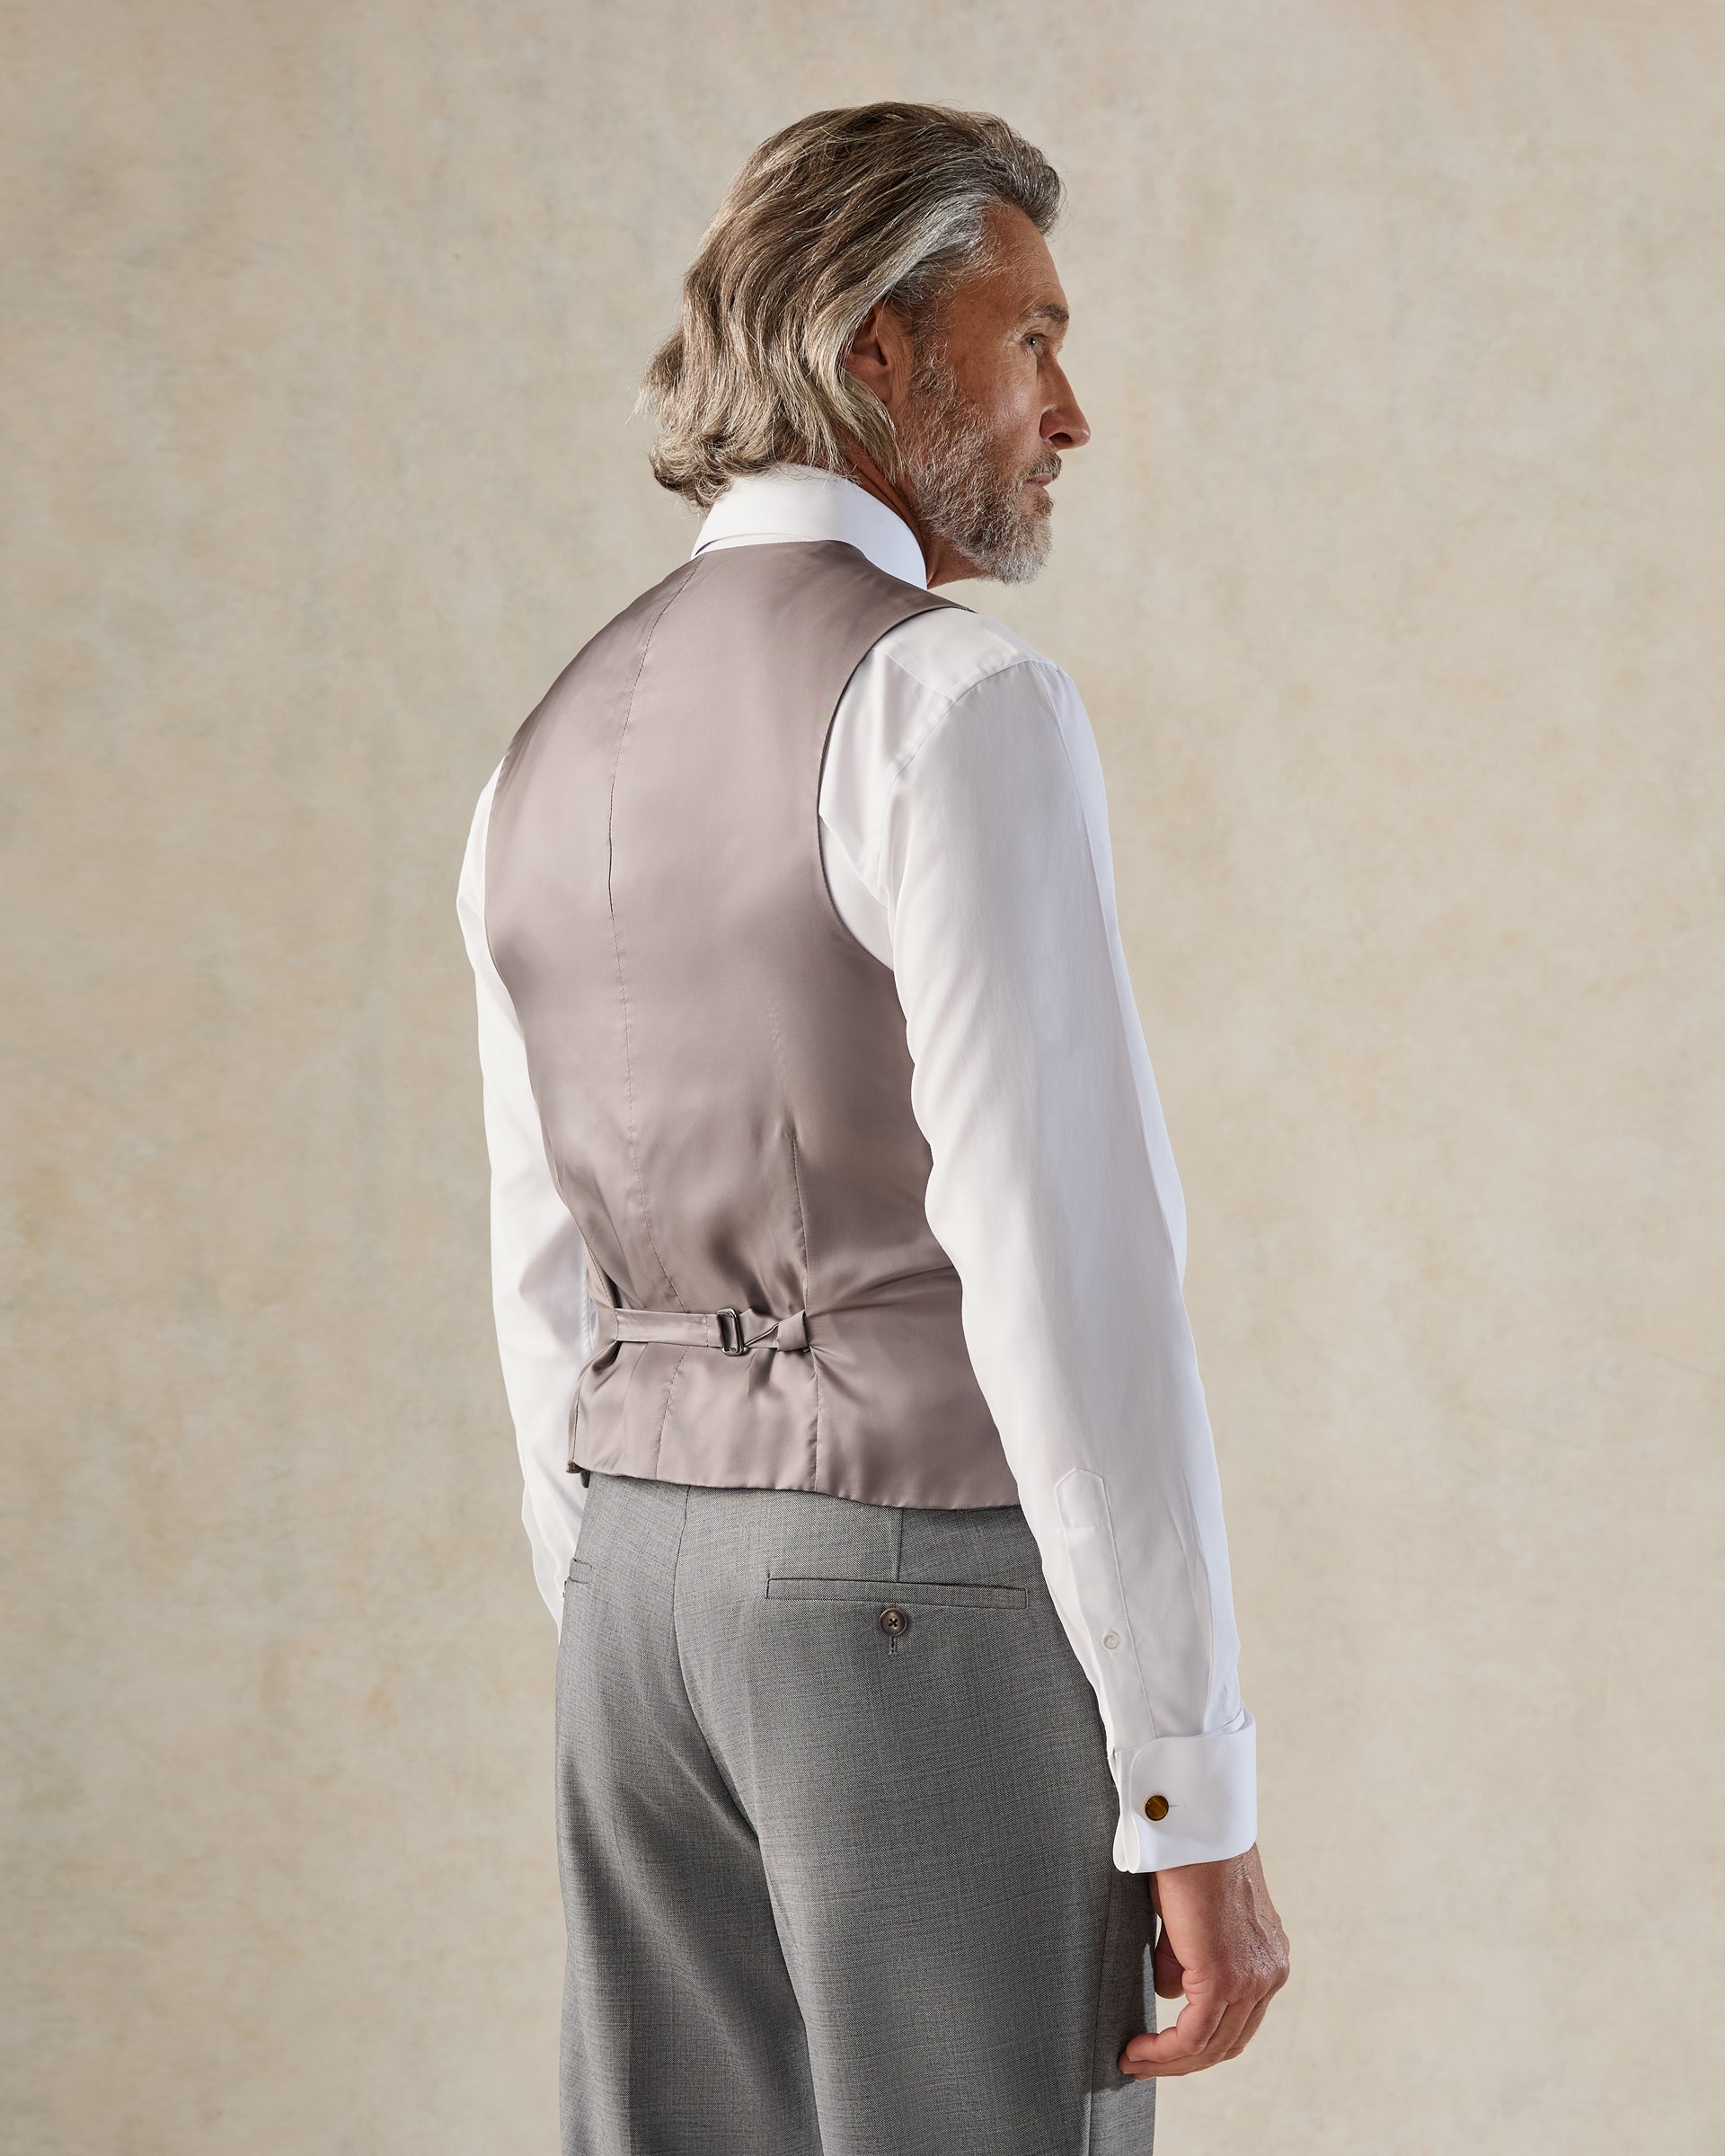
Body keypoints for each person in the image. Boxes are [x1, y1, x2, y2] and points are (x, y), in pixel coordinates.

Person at [456, 100, 1288, 2156]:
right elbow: (1066, 1270)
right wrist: (1187, 1776)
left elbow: (540, 1261)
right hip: (913, 1592)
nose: (1068, 412)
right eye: (1033, 340)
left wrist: (640, 1599)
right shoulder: (951, 707)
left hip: (635, 1607)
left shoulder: (543, 745)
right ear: (875, 355)